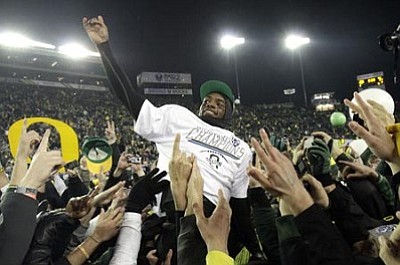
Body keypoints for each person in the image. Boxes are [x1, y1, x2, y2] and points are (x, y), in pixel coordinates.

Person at [82, 15, 263, 263]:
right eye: (207, 101)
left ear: (229, 111)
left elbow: (241, 206)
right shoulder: (179, 117)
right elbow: (130, 99)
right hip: (178, 213)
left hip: (217, 225)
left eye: (219, 102)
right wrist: (104, 48)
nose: (210, 103)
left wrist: (255, 247)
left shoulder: (241, 148)